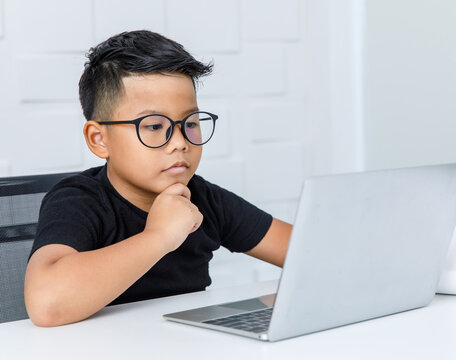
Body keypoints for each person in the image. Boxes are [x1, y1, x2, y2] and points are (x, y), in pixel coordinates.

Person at [24, 30, 292, 327]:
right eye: (153, 126)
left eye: (190, 123)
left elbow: (307, 253)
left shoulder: (204, 199)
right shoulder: (77, 200)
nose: (180, 142)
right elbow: (46, 303)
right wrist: (159, 237)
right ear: (100, 139)